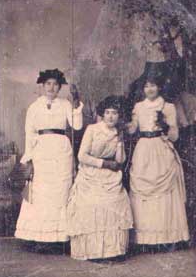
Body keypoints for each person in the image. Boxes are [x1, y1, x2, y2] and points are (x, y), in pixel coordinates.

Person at [15, 69, 83, 244]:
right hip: (42, 151)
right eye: (48, 84)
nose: (51, 87)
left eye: (55, 84)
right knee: (42, 191)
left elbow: (76, 126)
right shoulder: (34, 107)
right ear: (42, 86)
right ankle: (39, 237)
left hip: (61, 150)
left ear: (60, 87)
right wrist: (28, 158)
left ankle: (60, 236)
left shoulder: (65, 104)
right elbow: (29, 134)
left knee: (60, 190)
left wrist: (76, 105)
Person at [67, 95, 133, 261]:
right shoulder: (93, 129)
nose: (111, 116)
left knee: (115, 202)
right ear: (102, 114)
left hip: (110, 176)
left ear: (119, 116)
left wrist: (120, 141)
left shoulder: (118, 132)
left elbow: (120, 161)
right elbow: (82, 156)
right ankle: (93, 251)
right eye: (108, 112)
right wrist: (103, 163)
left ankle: (112, 251)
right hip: (91, 174)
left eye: (115, 113)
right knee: (92, 204)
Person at [127, 77, 189, 247]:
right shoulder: (139, 107)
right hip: (143, 150)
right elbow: (133, 129)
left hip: (161, 148)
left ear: (159, 87)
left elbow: (174, 136)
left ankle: (166, 238)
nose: (150, 89)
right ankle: (145, 239)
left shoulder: (168, 107)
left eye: (153, 85)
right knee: (143, 189)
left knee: (164, 191)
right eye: (146, 86)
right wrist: (126, 122)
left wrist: (166, 127)